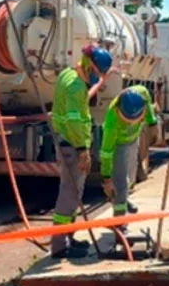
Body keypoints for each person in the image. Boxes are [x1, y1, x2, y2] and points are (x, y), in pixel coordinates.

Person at [49, 44, 114, 259]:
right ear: (90, 67)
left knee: (74, 192)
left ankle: (68, 237)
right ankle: (59, 245)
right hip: (72, 145)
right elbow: (74, 120)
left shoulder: (69, 75)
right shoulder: (76, 87)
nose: (98, 78)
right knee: (70, 193)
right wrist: (82, 150)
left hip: (65, 141)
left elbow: (82, 99)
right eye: (99, 73)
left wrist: (102, 81)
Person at [100, 85, 160, 237]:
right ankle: (120, 225)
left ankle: (124, 200)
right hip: (118, 146)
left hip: (133, 141)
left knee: (131, 178)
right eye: (127, 120)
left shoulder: (141, 93)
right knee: (120, 184)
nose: (131, 122)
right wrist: (106, 178)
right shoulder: (112, 122)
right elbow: (106, 153)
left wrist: (153, 123)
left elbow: (147, 101)